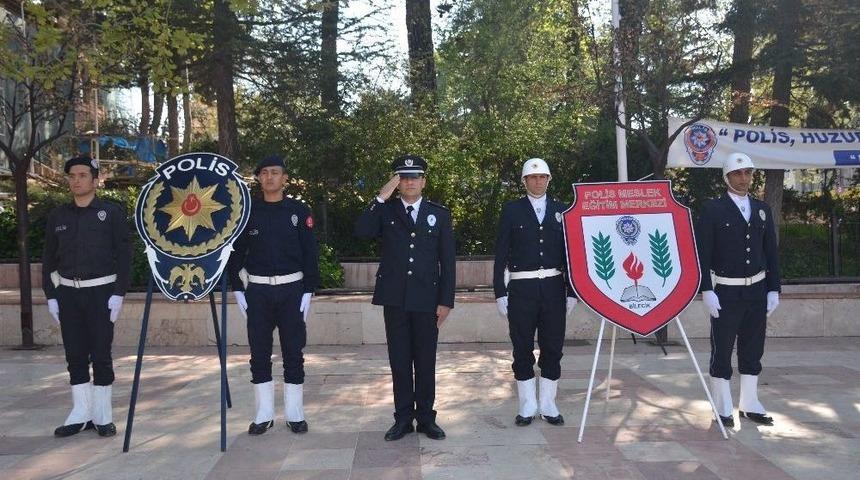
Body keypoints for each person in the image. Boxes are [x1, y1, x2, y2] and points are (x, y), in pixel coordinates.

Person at [355, 154, 455, 441]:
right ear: (397, 182)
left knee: (425, 361)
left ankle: (426, 418)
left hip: (427, 299)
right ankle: (402, 419)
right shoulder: (385, 211)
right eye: (404, 177)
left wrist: (446, 300)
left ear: (423, 181)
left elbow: (447, 262)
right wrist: (380, 197)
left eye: (415, 177)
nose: (410, 182)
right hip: (395, 299)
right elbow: (362, 231)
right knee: (399, 360)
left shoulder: (440, 213)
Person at [228, 155, 320, 435]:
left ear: (285, 178)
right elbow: (234, 253)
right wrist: (237, 287)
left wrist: (308, 290)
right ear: (258, 178)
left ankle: (295, 414)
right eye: (264, 172)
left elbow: (310, 254)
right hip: (258, 292)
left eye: (275, 172)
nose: (269, 177)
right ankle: (263, 414)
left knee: (293, 352)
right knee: (259, 353)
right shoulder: (248, 213)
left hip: (292, 290)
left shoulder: (298, 210)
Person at [43, 155, 131, 438]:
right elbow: (47, 259)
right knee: (75, 355)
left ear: (95, 180)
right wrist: (51, 295)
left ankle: (102, 415)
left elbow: (125, 256)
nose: (76, 180)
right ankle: (80, 413)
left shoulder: (111, 213)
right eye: (72, 175)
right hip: (68, 294)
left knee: (101, 354)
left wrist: (119, 293)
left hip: (101, 294)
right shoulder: (58, 216)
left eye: (82, 175)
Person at [696, 152, 780, 427]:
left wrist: (773, 289)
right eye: (737, 174)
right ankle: (722, 406)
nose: (744, 179)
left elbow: (771, 253)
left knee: (753, 348)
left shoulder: (761, 209)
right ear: (727, 177)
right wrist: (706, 290)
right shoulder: (712, 210)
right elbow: (703, 254)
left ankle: (750, 402)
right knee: (722, 350)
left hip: (756, 291)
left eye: (747, 173)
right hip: (726, 292)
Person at [493, 158, 577, 427]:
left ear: (549, 180)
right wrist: (499, 292)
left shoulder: (562, 210)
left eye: (542, 177)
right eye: (532, 177)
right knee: (522, 347)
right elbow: (501, 253)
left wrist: (571, 292)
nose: (538, 181)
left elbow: (571, 254)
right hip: (522, 288)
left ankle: (549, 405)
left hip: (553, 287)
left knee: (553, 347)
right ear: (524, 181)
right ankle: (527, 405)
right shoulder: (511, 210)